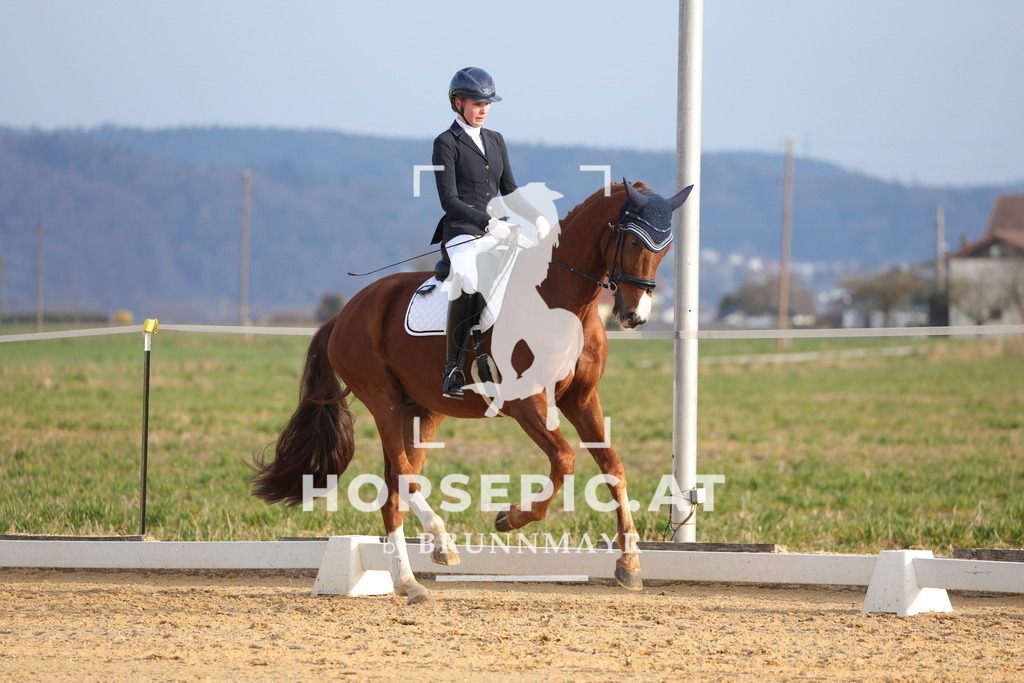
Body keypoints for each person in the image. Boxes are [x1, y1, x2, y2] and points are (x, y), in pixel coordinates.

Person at [430, 67, 546, 399]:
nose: (483, 110)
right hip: (462, 233)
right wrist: (487, 223)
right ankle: (452, 369)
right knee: (468, 280)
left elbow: (510, 191)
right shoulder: (445, 143)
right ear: (458, 103)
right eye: (476, 104)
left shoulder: (496, 140)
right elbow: (449, 200)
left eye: (487, 104)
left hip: (499, 230)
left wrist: (537, 217)